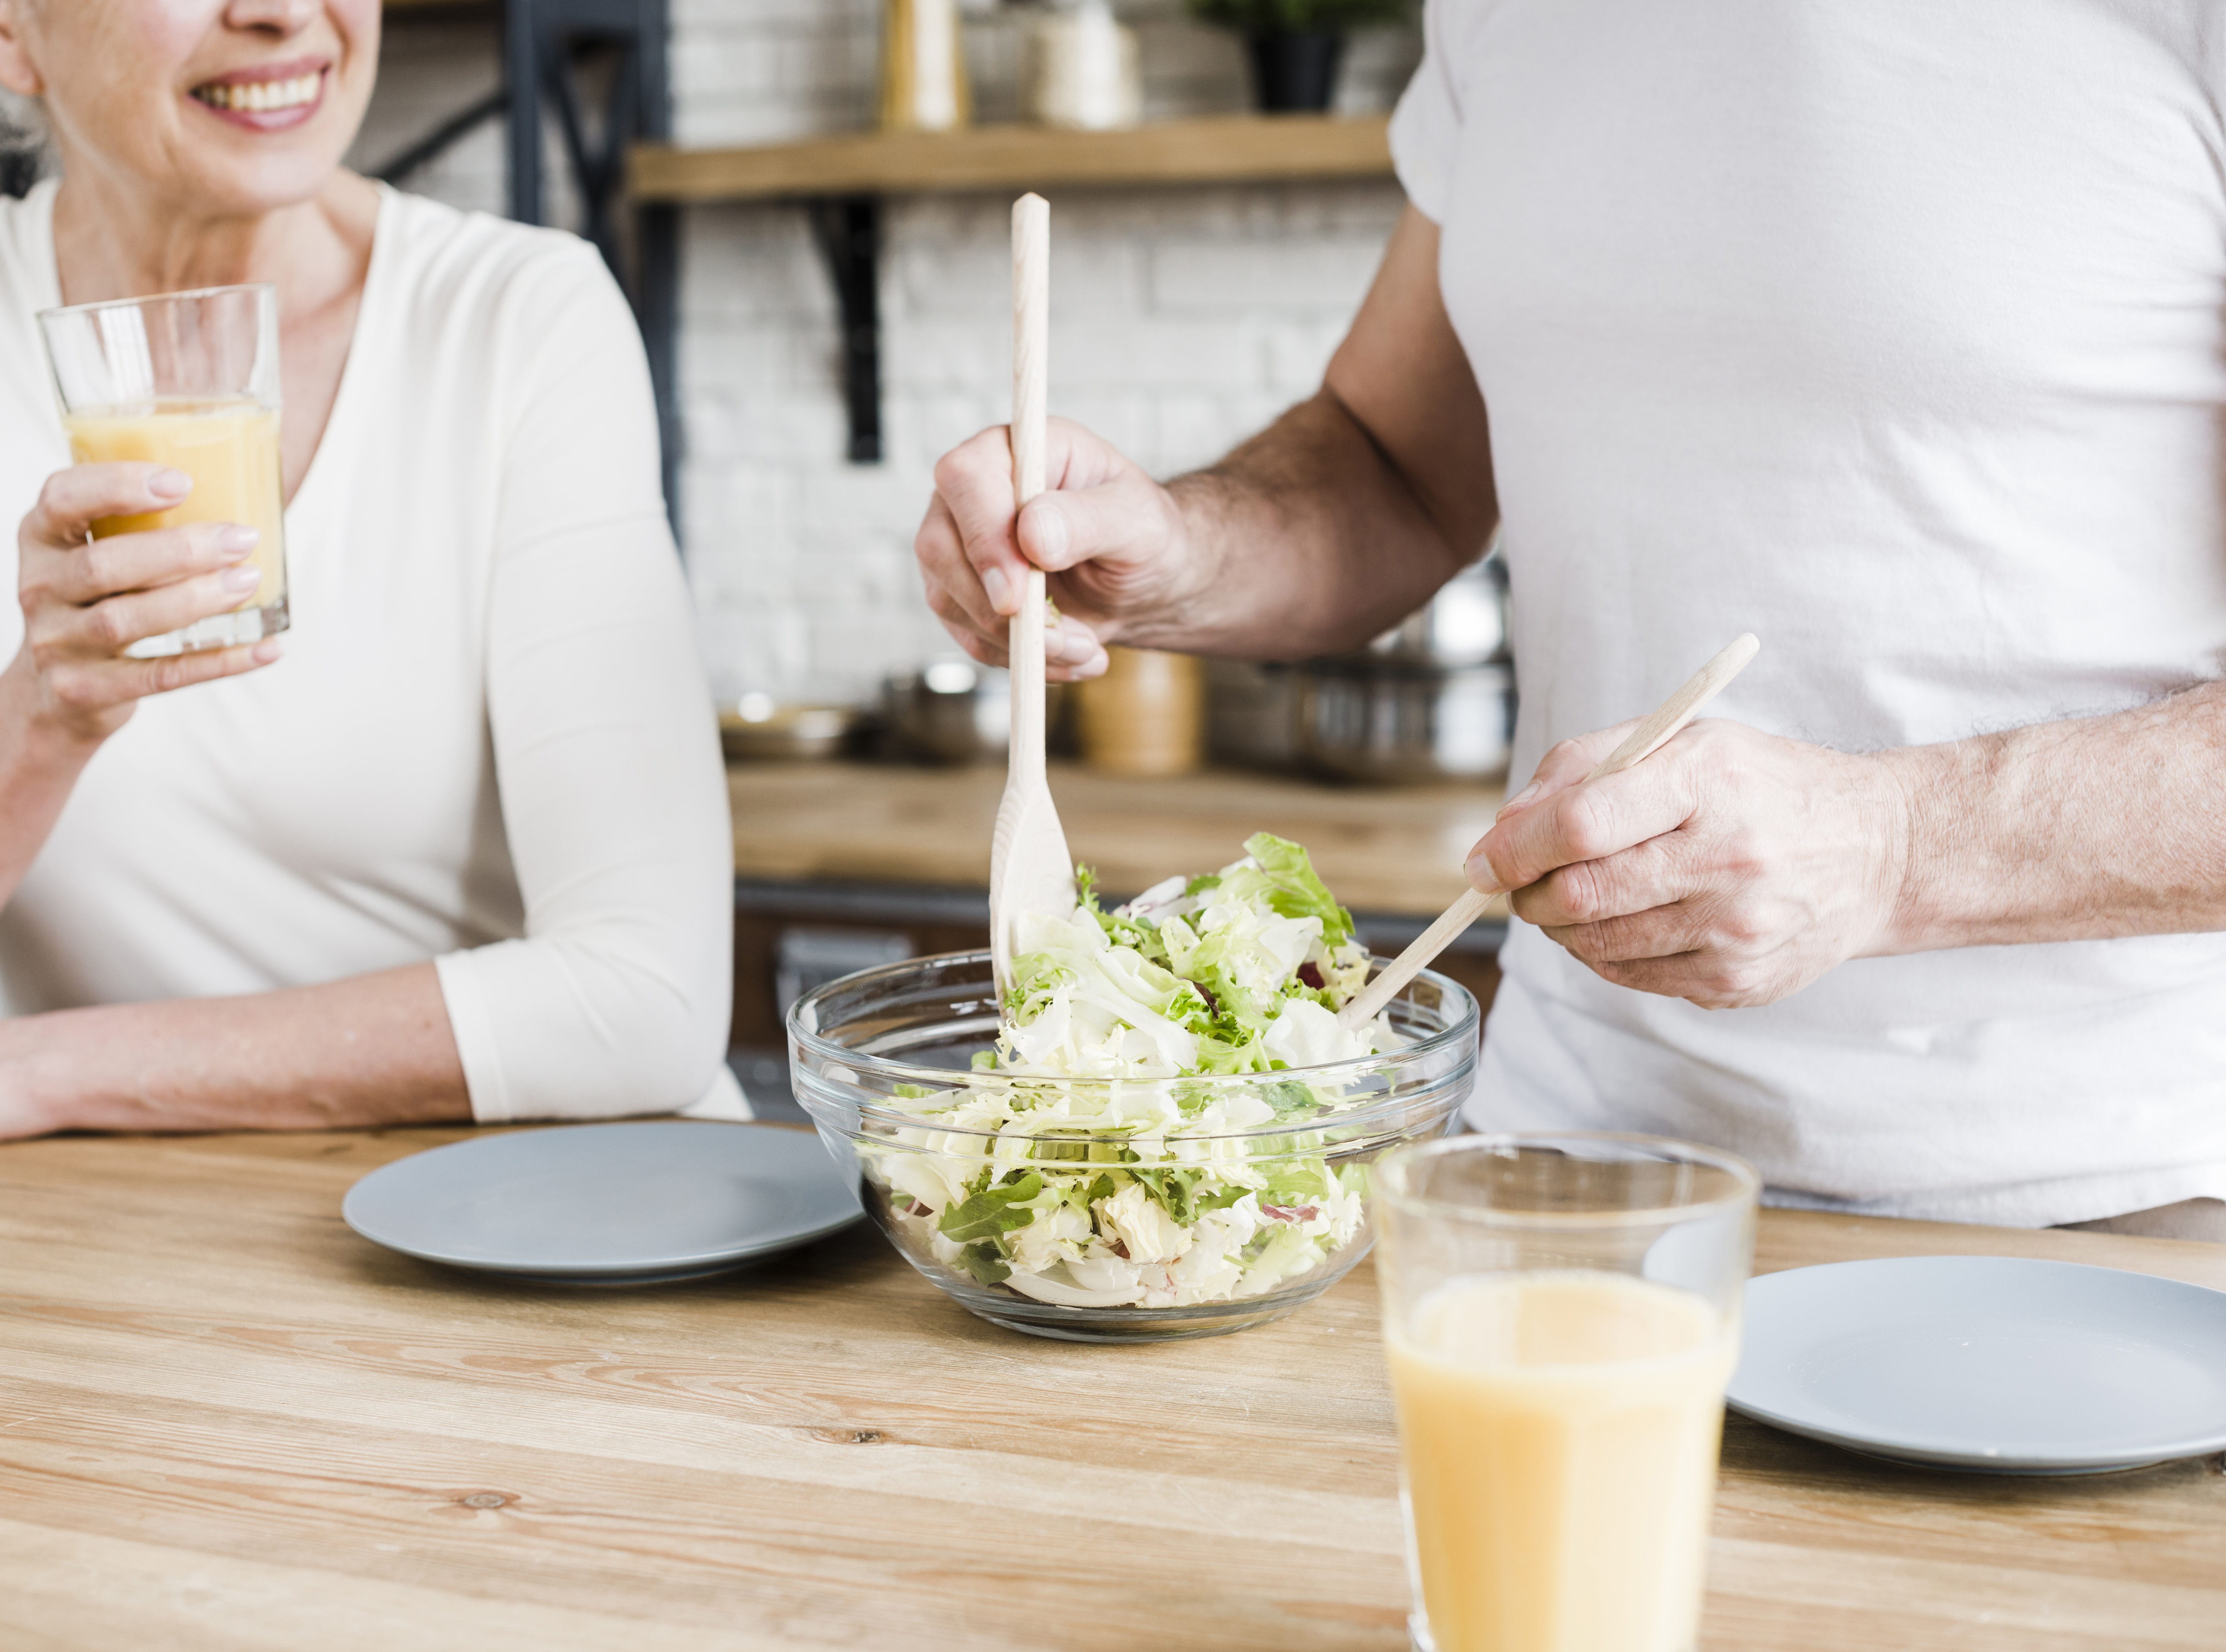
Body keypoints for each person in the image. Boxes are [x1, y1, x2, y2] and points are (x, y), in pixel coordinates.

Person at [915, 0, 2226, 1239]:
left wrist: (1889, 846)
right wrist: (1182, 548)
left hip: (2112, 1198)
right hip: (1557, 1166)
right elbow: (1395, 459)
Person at [0, 0, 739, 1146]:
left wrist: (35, 1071)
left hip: (529, 1244)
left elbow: (648, 1000)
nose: (281, 13)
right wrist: (44, 716)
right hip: (131, 1258)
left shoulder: (519, 321)